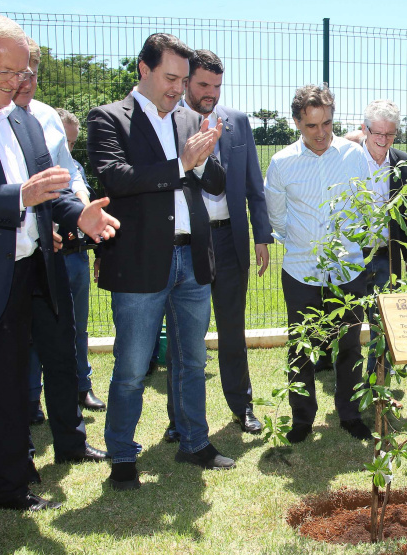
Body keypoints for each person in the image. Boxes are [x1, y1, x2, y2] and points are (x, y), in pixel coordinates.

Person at [0, 13, 117, 554]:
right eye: (7, 71)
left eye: (23, 72)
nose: (19, 82)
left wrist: (77, 214)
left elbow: (49, 185)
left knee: (13, 395)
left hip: (23, 279)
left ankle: (11, 488)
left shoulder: (19, 119)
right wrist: (15, 197)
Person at [86, 32, 229, 491]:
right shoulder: (109, 118)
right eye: (170, 77)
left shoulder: (190, 119)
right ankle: (123, 457)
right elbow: (115, 178)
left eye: (183, 79)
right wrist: (181, 165)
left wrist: (205, 161)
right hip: (141, 261)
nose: (177, 87)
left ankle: (194, 442)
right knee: (131, 368)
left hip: (192, 258)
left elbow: (213, 184)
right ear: (143, 70)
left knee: (191, 361)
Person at [162, 49, 272, 438]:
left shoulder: (238, 123)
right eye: (203, 84)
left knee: (232, 328)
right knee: (183, 335)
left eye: (217, 86)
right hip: (185, 240)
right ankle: (180, 420)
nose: (210, 93)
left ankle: (242, 407)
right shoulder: (169, 123)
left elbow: (254, 187)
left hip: (230, 239)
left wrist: (262, 236)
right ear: (186, 81)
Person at [10, 38, 107, 470]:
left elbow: (64, 180)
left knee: (63, 349)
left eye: (33, 71)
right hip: (8, 259)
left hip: (53, 258)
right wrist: (33, 224)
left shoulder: (47, 118)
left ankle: (71, 441)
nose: (27, 79)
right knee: (11, 358)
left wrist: (72, 218)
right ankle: (17, 450)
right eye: (19, 70)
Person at [264, 83, 372, 444]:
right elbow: (277, 219)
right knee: (301, 348)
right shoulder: (281, 164)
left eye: (327, 123)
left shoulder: (354, 155)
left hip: (347, 271)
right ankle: (302, 418)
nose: (322, 133)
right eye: (312, 126)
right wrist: (304, 242)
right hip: (301, 271)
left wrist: (350, 245)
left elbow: (364, 206)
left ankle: (350, 414)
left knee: (349, 346)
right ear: (296, 123)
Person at [357, 99, 407, 376]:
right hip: (352, 256)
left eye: (390, 133)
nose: (383, 140)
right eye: (377, 133)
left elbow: (406, 213)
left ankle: (375, 383)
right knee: (349, 324)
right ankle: (347, 389)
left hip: (386, 255)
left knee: (381, 324)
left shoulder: (403, 163)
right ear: (364, 130)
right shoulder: (348, 157)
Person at [56, 107, 107, 412]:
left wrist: (98, 253)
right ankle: (33, 397)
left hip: (77, 259)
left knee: (79, 327)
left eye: (73, 144)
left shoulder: (76, 168)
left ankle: (82, 387)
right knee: (40, 331)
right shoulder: (33, 167)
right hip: (46, 259)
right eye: (64, 142)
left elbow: (90, 215)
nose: (69, 149)